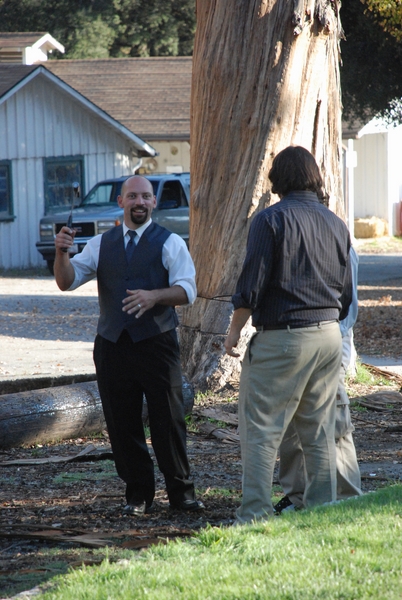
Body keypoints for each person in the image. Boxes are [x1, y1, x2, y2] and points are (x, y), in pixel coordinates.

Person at [54, 175, 204, 516]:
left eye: (146, 197)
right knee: (122, 425)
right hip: (112, 345)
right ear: (121, 202)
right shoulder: (100, 244)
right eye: (132, 196)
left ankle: (182, 494)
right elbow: (66, 281)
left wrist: (155, 296)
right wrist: (62, 253)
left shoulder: (170, 243)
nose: (140, 202)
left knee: (169, 422)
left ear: (154, 203)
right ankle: (138, 495)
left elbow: (188, 291)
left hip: (157, 343)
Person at [224, 146, 352, 524]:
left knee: (262, 428)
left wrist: (234, 331)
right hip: (328, 335)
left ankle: (254, 514)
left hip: (283, 336)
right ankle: (323, 510)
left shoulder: (269, 221)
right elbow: (345, 293)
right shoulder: (336, 224)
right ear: (313, 177)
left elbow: (252, 284)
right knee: (319, 430)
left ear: (276, 179)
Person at [274, 246, 362, 514]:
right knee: (290, 422)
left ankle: (348, 496)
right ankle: (297, 496)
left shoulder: (340, 242)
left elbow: (348, 305)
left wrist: (333, 343)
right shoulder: (280, 234)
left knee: (335, 421)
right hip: (288, 342)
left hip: (330, 342)